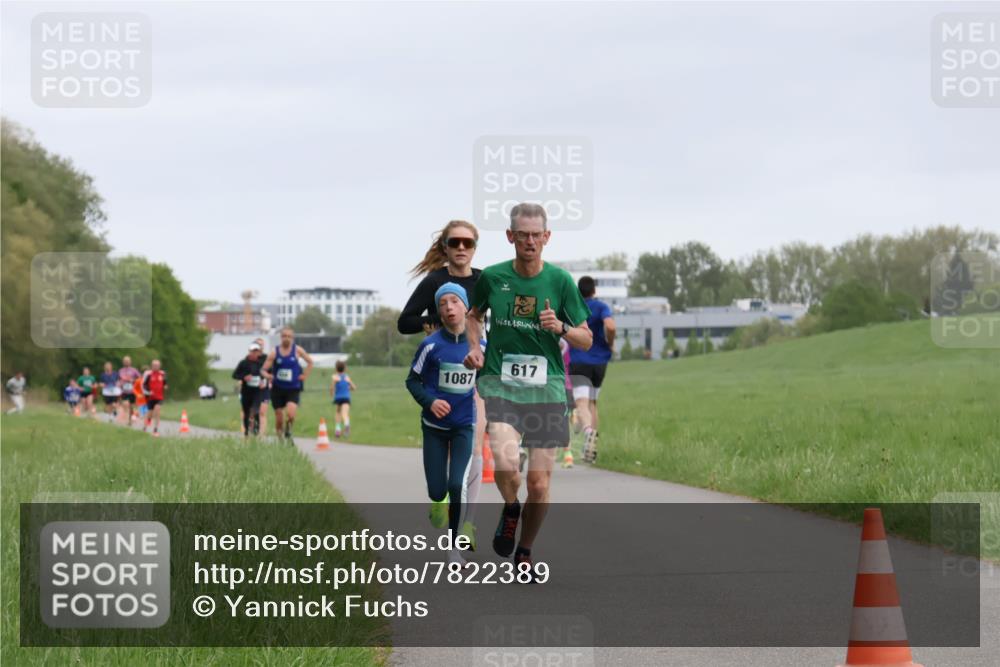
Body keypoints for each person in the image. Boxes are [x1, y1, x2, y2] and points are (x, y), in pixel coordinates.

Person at [463, 203, 592, 579]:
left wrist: (561, 329)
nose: (530, 241)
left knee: (538, 483)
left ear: (547, 238)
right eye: (523, 235)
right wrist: (474, 346)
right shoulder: (493, 278)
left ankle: (525, 549)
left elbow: (586, 339)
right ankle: (510, 506)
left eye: (537, 235)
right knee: (505, 465)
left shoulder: (561, 282)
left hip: (547, 390)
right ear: (511, 237)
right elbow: (474, 315)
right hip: (501, 384)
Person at [398, 219, 487, 549]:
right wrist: (436, 321)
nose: (461, 248)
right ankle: (440, 497)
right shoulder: (434, 281)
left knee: (475, 445)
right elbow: (405, 321)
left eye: (468, 243)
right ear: (445, 248)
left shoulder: (485, 280)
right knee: (443, 463)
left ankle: (468, 524)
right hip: (441, 366)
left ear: (475, 247)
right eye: (455, 243)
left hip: (477, 367)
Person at [406, 283, 484, 567]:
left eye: (454, 301)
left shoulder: (480, 345)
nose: (449, 308)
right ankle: (436, 501)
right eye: (442, 304)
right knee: (437, 490)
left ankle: (453, 551)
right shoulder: (430, 345)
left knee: (456, 485)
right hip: (434, 429)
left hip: (464, 425)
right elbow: (412, 381)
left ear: (465, 307)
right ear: (439, 311)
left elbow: (490, 379)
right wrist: (430, 402)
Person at [568, 275, 616, 463]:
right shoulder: (601, 306)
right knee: (593, 403)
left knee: (581, 403)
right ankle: (592, 447)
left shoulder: (574, 307)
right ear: (594, 290)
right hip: (600, 361)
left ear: (578, 291)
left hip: (579, 359)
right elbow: (610, 326)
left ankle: (588, 432)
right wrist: (609, 343)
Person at [261, 326, 313, 441]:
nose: (287, 339)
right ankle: (280, 439)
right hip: (277, 389)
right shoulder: (274, 352)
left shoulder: (297, 350)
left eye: (289, 336)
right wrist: (268, 376)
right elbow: (263, 370)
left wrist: (304, 375)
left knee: (290, 414)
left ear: (292, 338)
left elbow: (310, 362)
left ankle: (288, 431)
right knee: (279, 418)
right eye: (284, 336)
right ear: (281, 337)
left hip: (293, 388)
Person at [233, 342, 266, 437]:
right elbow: (234, 375)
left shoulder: (261, 364)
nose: (254, 353)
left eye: (256, 351)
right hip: (246, 391)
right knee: (246, 413)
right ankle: (246, 433)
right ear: (249, 352)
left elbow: (267, 374)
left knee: (256, 411)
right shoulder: (243, 363)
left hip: (257, 392)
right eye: (253, 351)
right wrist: (244, 377)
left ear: (259, 353)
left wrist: (263, 382)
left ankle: (256, 432)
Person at [330, 360, 356, 438]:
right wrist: (348, 387)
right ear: (344, 369)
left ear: (336, 369)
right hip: (346, 398)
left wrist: (332, 393)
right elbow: (354, 388)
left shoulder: (335, 377)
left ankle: (338, 430)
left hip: (338, 398)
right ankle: (347, 425)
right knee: (345, 413)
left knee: (338, 413)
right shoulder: (347, 377)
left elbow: (332, 387)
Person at [142, 360, 168, 436]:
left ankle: (155, 428)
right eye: (154, 365)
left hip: (159, 396)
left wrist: (165, 386)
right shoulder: (148, 374)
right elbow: (144, 385)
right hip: (150, 397)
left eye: (157, 365)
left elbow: (165, 382)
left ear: (159, 366)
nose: (156, 367)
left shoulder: (162, 374)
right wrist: (148, 391)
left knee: (157, 409)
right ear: (152, 366)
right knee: (150, 413)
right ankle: (145, 426)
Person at [254, 338, 271, 436]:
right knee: (253, 413)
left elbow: (271, 372)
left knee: (262, 412)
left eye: (262, 345)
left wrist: (266, 380)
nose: (260, 347)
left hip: (265, 389)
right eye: (258, 344)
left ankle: (262, 436)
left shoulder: (267, 358)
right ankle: (252, 433)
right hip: (252, 389)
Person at [118, 356, 141, 425]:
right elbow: (118, 380)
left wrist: (133, 380)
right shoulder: (120, 371)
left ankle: (130, 419)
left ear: (130, 362)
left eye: (127, 361)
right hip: (124, 391)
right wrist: (120, 383)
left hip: (132, 391)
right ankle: (127, 418)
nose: (126, 362)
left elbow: (140, 378)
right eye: (125, 361)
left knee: (131, 406)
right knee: (125, 404)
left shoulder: (134, 370)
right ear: (123, 362)